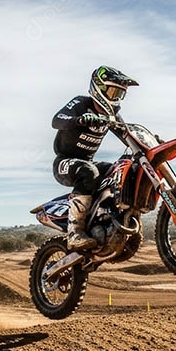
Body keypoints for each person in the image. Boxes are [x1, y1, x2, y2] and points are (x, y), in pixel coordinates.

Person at [51, 65, 138, 250]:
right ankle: (75, 232)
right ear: (98, 88)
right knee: (88, 172)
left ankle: (110, 220)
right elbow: (56, 120)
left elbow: (128, 135)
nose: (115, 98)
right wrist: (80, 119)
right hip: (64, 162)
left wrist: (150, 143)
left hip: (88, 162)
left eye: (119, 94)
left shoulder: (112, 115)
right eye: (112, 91)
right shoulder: (81, 104)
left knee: (120, 168)